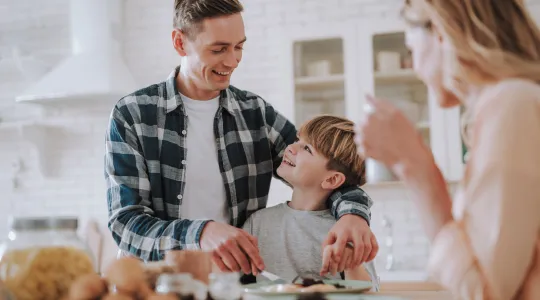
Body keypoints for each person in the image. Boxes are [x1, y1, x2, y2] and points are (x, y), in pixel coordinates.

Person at [105, 0, 378, 275]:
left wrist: (354, 215)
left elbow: (326, 173)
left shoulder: (256, 114)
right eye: (219, 49)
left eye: (239, 46)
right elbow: (125, 223)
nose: (232, 61)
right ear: (180, 43)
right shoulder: (133, 115)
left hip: (233, 287)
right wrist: (201, 232)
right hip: (154, 287)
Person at [355, 0, 540, 299]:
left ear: (441, 32)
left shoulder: (511, 104)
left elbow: (483, 292)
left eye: (412, 50)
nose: (415, 67)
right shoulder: (516, 102)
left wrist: (413, 164)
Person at [242, 115, 379, 290]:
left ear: (332, 179)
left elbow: (368, 292)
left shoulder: (345, 230)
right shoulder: (257, 223)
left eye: (307, 148)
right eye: (297, 140)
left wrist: (351, 263)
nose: (290, 147)